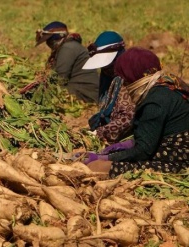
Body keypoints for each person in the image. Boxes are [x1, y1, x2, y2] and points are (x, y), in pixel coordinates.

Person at [83, 47, 189, 178]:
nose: (125, 83)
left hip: (176, 160)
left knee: (98, 168)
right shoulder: (167, 85)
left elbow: (144, 150)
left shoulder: (155, 102)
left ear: (135, 76)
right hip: (172, 150)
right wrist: (124, 146)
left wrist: (106, 158)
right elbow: (151, 134)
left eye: (126, 79)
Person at [82, 31, 135, 143]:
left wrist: (101, 132)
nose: (105, 69)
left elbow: (128, 118)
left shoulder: (128, 79)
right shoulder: (107, 75)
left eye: (108, 66)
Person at [35, 21, 99, 103]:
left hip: (85, 91)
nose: (48, 44)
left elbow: (60, 78)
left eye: (49, 41)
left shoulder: (68, 48)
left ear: (57, 37)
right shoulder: (67, 46)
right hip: (80, 87)